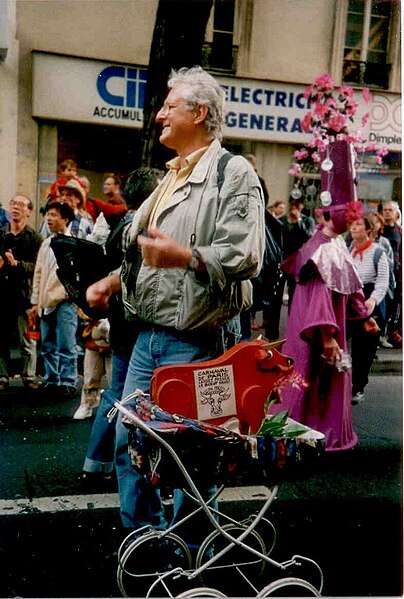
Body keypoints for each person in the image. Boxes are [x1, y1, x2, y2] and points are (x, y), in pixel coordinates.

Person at [86, 66, 265, 535]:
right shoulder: (168, 177)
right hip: (148, 339)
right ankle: (145, 540)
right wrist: (113, 281)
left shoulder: (234, 172)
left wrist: (184, 256)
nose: (160, 113)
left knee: (194, 457)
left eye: (171, 104)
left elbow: (246, 256)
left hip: (201, 343)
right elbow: (142, 252)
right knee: (131, 439)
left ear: (199, 112)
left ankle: (191, 552)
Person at [268, 140, 378, 452]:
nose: (355, 220)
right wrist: (328, 336)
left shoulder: (334, 244)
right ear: (335, 213)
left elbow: (348, 285)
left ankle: (314, 435)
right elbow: (318, 295)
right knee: (310, 382)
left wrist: (364, 317)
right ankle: (304, 437)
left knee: (321, 385)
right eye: (350, 213)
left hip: (328, 332)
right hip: (317, 336)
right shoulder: (319, 250)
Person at [80, 167, 163, 486]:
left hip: (118, 319)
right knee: (126, 395)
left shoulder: (122, 224)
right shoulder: (138, 227)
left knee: (117, 393)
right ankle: (113, 463)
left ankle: (96, 460)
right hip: (132, 321)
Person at [30, 201, 79, 398]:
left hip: (64, 300)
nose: (49, 219)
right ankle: (52, 378)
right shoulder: (46, 243)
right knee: (47, 344)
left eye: (54, 215)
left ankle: (68, 380)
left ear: (65, 219)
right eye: (48, 214)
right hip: (45, 300)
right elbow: (39, 272)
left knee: (66, 343)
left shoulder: (74, 242)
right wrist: (35, 301)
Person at [0, 195, 42, 391]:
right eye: (13, 204)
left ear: (29, 211)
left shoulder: (34, 238)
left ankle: (29, 375)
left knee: (27, 337)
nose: (16, 208)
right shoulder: (1, 235)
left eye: (21, 205)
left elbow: (37, 267)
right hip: (3, 292)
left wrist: (16, 264)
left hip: (24, 294)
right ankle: (2, 375)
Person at [348, 215, 389, 404]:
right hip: (350, 300)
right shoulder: (349, 249)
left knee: (363, 350)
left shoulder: (378, 252)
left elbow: (383, 282)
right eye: (352, 225)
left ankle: (358, 387)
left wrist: (372, 301)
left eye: (358, 224)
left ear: (368, 229)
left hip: (369, 298)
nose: (353, 228)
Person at [381, 200, 402, 348]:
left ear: (396, 213)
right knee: (380, 304)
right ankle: (378, 335)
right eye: (385, 210)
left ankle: (386, 334)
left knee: (392, 305)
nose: (387, 212)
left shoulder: (399, 231)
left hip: (395, 273)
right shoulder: (380, 229)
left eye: (390, 210)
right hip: (381, 273)